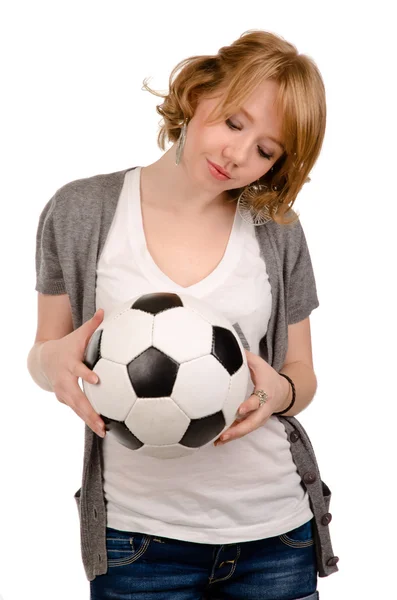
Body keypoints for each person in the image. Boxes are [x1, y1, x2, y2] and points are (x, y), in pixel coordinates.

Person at [27, 29, 339, 600]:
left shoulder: (279, 233)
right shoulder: (80, 210)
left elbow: (302, 372)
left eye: (267, 150)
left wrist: (280, 392)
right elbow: (44, 352)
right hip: (138, 545)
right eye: (234, 122)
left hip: (275, 537)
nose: (239, 155)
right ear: (198, 94)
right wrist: (52, 360)